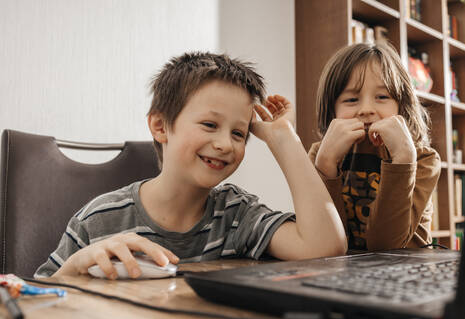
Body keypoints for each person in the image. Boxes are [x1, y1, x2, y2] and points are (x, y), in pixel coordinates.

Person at [35, 52, 347, 279]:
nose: (226, 143)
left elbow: (326, 246)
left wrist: (283, 138)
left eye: (239, 133)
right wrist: (74, 268)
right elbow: (36, 301)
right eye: (210, 124)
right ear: (160, 126)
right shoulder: (98, 220)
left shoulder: (236, 215)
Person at [308, 42, 440, 251]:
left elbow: (387, 247)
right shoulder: (321, 155)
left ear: (401, 105)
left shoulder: (423, 159)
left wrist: (404, 160)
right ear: (332, 110)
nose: (367, 109)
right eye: (351, 99)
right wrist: (325, 165)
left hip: (406, 274)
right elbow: (325, 243)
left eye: (382, 97)